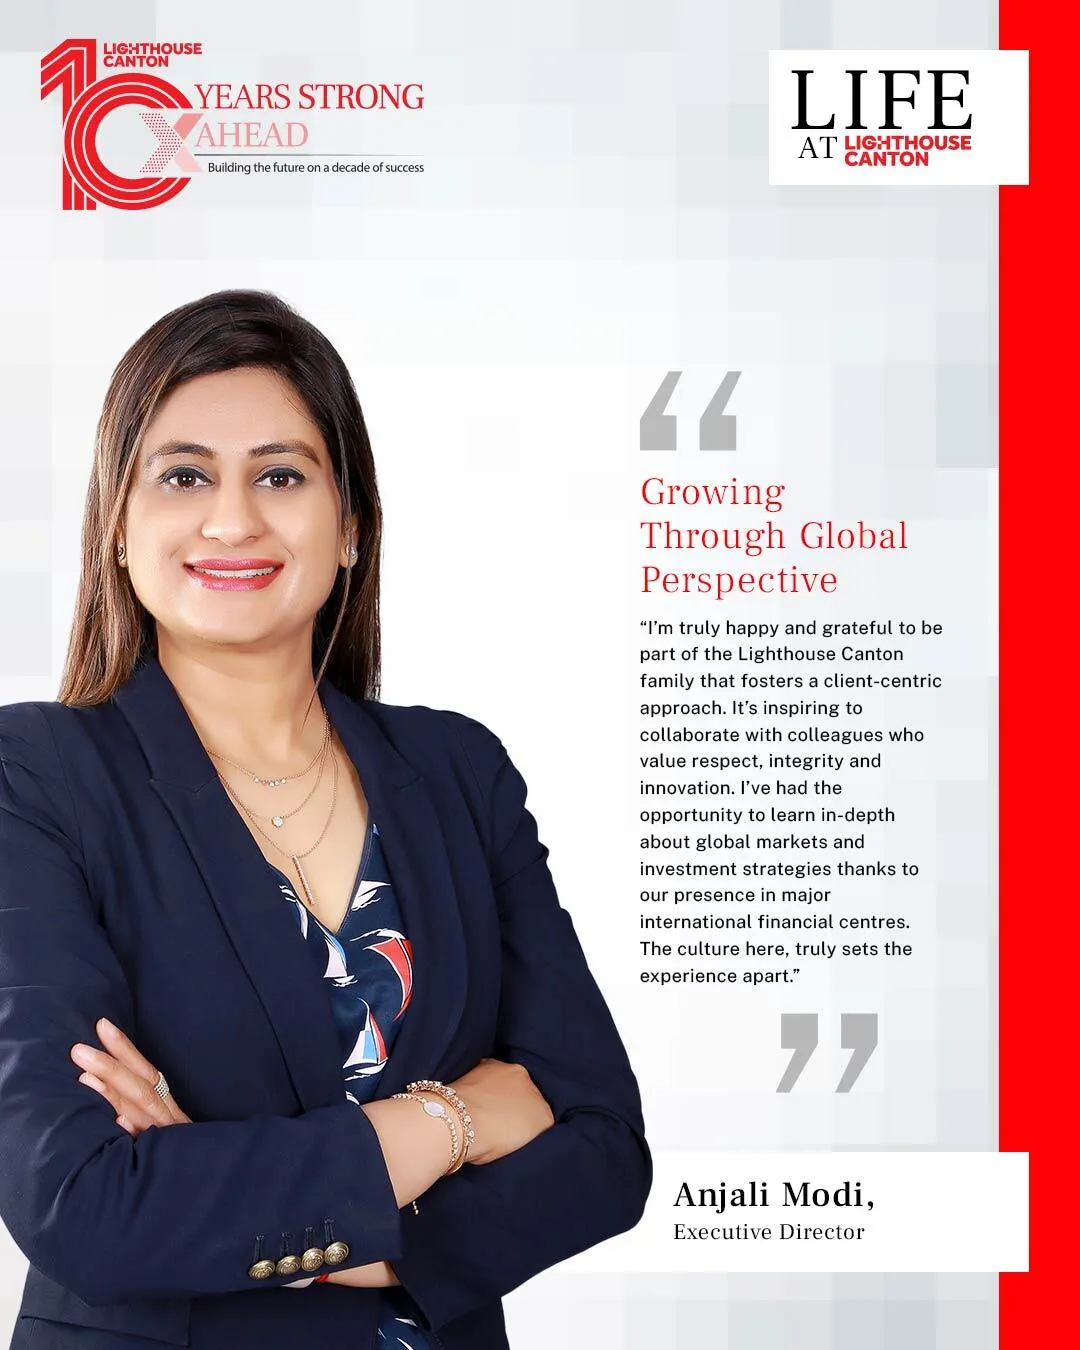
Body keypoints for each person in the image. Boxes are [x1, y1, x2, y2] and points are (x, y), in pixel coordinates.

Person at [0, 290, 651, 1350]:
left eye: (281, 474)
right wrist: (457, 1119)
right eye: (183, 475)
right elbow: (86, 1204)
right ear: (118, 527)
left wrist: (269, 1202)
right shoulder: (37, 775)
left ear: (349, 527)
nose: (232, 518)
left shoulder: (457, 770)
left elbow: (602, 1150)